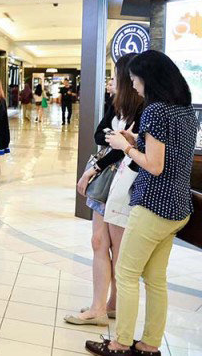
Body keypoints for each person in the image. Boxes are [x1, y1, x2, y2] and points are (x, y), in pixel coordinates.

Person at [86, 50, 196, 356]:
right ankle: (149, 345)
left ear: (149, 78)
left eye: (135, 79)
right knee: (156, 279)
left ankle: (120, 343)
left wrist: (125, 146)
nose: (133, 85)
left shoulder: (155, 111)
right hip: (178, 206)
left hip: (153, 205)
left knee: (126, 273)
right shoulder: (184, 111)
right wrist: (136, 142)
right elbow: (168, 155)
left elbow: (155, 166)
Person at [67, 53, 143, 327]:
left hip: (125, 181)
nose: (112, 81)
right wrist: (116, 139)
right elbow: (100, 134)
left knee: (119, 247)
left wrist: (95, 167)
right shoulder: (117, 104)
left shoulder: (144, 109)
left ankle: (113, 304)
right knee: (99, 241)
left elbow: (125, 150)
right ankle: (98, 307)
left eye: (116, 76)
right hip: (105, 181)